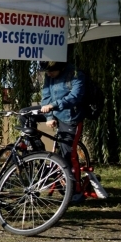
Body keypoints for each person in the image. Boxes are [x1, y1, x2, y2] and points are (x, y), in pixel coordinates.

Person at [35, 60, 86, 201]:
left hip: (71, 118)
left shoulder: (75, 75)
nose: (49, 75)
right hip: (55, 113)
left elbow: (75, 97)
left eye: (51, 72)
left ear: (61, 68)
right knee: (25, 116)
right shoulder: (49, 75)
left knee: (69, 154)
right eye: (47, 73)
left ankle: (76, 191)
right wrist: (49, 116)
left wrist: (53, 106)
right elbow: (46, 96)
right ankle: (36, 155)